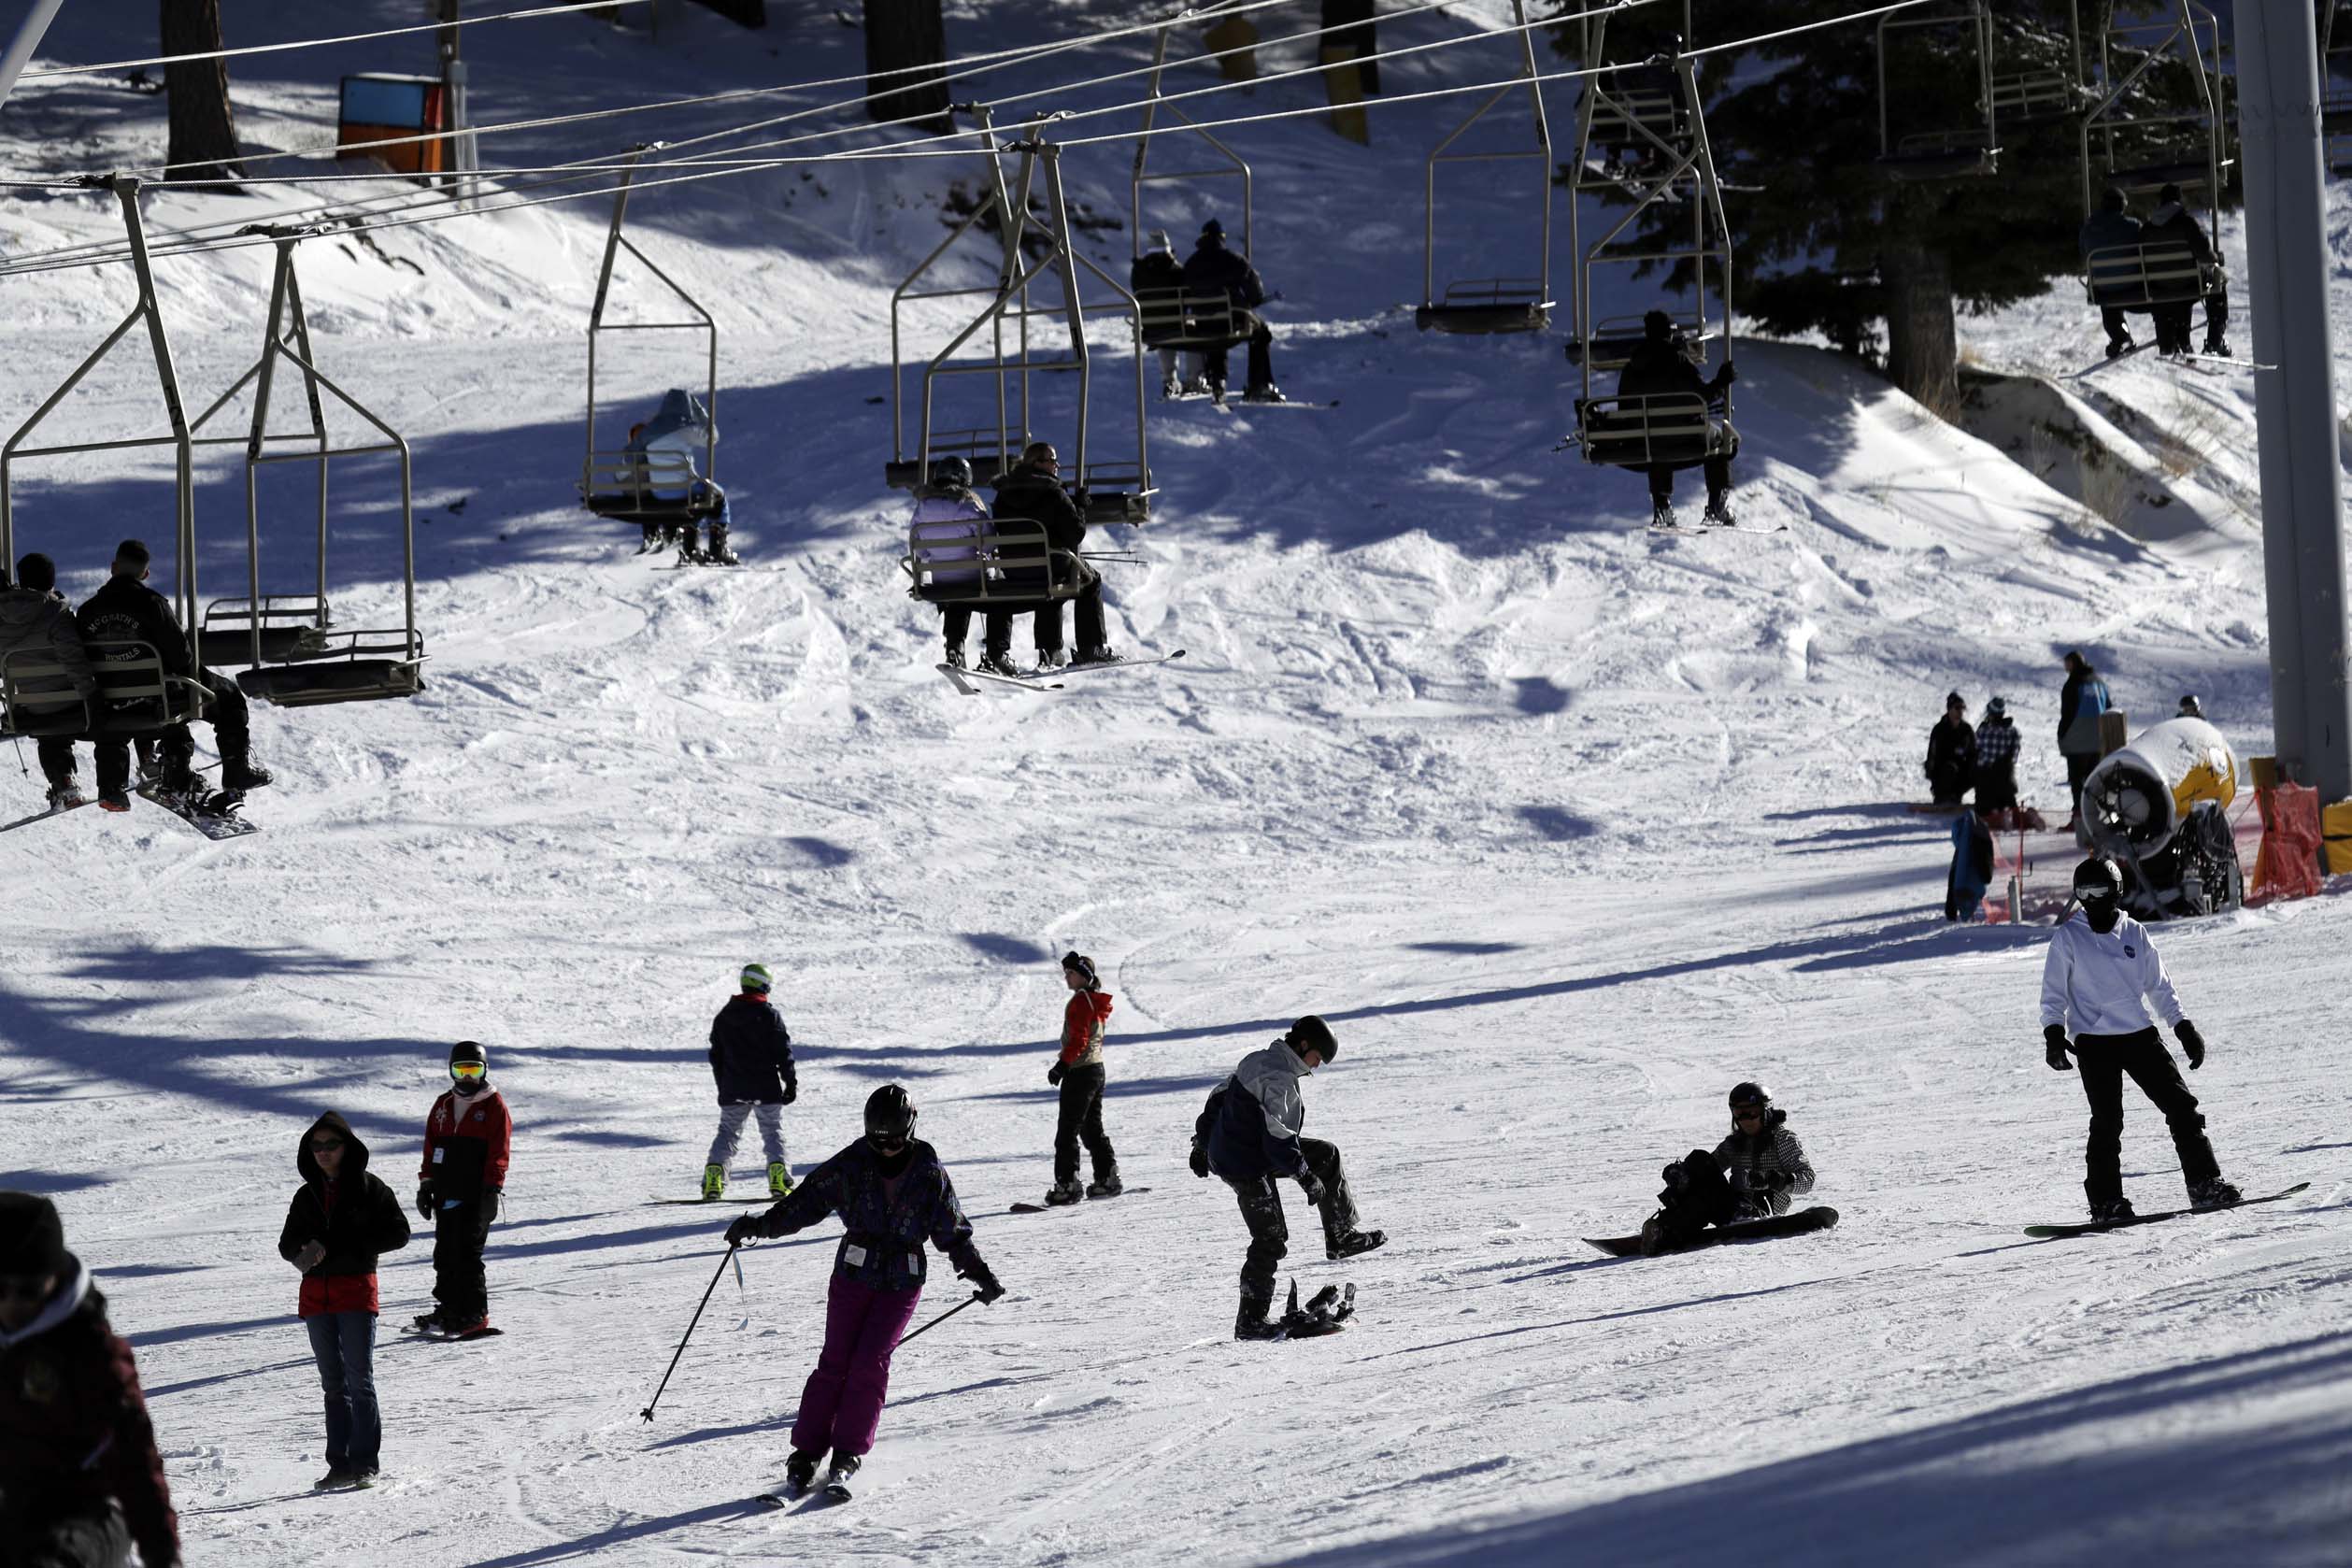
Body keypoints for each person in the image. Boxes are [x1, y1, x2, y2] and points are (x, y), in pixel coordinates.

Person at [724, 1085, 1005, 1500]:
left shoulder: (928, 1170)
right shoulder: (853, 1163)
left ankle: (848, 1453)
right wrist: (761, 1225)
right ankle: (805, 1453)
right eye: (878, 1140)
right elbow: (806, 1201)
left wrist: (977, 1270)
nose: (886, 1149)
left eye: (893, 1140)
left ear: (909, 1130)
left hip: (902, 1280)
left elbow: (951, 1229)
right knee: (834, 1361)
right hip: (854, 1272)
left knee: (869, 1363)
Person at [2041, 856, 2240, 1221]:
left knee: (2182, 1108)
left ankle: (2205, 1185)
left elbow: (2159, 986)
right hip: (2093, 1041)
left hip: (2138, 1036)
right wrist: (2053, 1033)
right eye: (2085, 892)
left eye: (2100, 890)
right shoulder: (2069, 937)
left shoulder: (2135, 933)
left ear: (2116, 891)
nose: (2093, 898)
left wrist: (2182, 1026)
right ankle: (2106, 1203)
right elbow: (2053, 993)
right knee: (2107, 1122)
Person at [0, 1192, 179, 1568]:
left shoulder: (90, 1351)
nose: (11, 1304)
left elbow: (135, 1462)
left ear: (54, 1277)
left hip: (91, 1511)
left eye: (28, 1289)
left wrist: (163, 1557)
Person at [1190, 1016, 1386, 1340]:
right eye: (1318, 1058)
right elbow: (1279, 1141)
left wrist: (1201, 1143)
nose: (1317, 1066)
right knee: (1270, 1237)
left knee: (1325, 1153)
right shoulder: (1279, 1079)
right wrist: (1305, 1177)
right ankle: (1250, 1322)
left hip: (1242, 1148)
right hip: (1244, 1161)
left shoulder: (1259, 1059)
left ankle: (1341, 1236)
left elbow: (1218, 1098)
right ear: (1305, 1045)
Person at [78, 538, 272, 812]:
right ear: (145, 573)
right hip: (156, 697)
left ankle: (170, 772)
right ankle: (234, 769)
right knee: (226, 696)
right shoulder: (152, 604)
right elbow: (181, 657)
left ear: (113, 567)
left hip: (111, 699)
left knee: (172, 698)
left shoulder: (87, 612)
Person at [277, 1112, 412, 1490]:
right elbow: (285, 1245)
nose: (322, 1152)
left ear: (346, 1147)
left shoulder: (371, 1189)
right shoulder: (306, 1196)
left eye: (330, 1145)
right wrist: (303, 1251)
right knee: (332, 1384)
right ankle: (339, 1465)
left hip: (355, 1292)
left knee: (359, 1381)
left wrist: (347, 1246)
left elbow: (399, 1232)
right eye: (315, 1146)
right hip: (316, 1297)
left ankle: (365, 1462)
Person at [1639, 1083, 1817, 1255]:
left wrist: (1774, 1180)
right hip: (1733, 1209)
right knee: (1699, 1160)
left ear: (1766, 1111)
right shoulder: (1734, 1143)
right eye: (1739, 1112)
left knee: (1705, 1180)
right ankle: (1665, 1229)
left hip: (1764, 1209)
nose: (1745, 1119)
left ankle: (1741, 1214)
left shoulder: (1782, 1140)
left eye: (1751, 1112)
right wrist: (1682, 1176)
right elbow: (1708, 1171)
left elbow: (1808, 1178)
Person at [414, 1040, 511, 1337]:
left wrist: (492, 1189)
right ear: (452, 1071)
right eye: (461, 1070)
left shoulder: (493, 1106)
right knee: (445, 1254)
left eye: (473, 1069)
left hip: (476, 1193)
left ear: (484, 1071)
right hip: (446, 1193)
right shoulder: (443, 1104)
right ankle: (449, 1308)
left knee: (468, 1255)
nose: (467, 1077)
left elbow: (499, 1151)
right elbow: (432, 1147)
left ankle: (474, 1313)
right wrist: (426, 1184)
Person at [992, 442, 1115, 667]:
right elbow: (1075, 534)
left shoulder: (1003, 494)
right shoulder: (1053, 493)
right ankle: (1091, 648)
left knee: (1052, 576)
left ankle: (1051, 651)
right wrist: (1079, 508)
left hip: (1014, 569)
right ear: (1036, 463)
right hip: (1050, 567)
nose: (1056, 465)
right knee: (1089, 579)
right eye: (1051, 460)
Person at [1614, 309, 1738, 527]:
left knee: (1656, 441)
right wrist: (1720, 382)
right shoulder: (1678, 361)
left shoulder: (1631, 367)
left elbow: (1624, 405)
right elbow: (1701, 397)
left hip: (1644, 441)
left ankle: (1662, 506)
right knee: (1724, 438)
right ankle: (1717, 504)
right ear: (1669, 334)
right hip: (1684, 438)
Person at [0, 551, 98, 809]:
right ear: (51, 581)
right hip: (69, 701)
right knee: (60, 715)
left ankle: (63, 780)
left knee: (47, 727)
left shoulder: (3, 615)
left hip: (30, 704)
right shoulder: (56, 613)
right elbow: (74, 658)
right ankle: (69, 778)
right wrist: (90, 694)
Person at [704, 962, 797, 1201]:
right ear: (762, 985)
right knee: (772, 1131)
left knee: (727, 1133)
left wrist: (723, 1085)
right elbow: (783, 1052)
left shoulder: (724, 1016)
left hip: (733, 1087)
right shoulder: (769, 1015)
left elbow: (716, 1056)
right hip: (766, 1088)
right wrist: (790, 1082)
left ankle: (714, 1178)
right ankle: (779, 1178)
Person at [906, 456, 1009, 673]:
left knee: (955, 598)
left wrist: (936, 555)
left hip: (941, 579)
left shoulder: (922, 508)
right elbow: (989, 544)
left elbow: (919, 548)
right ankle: (996, 652)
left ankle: (955, 648)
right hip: (974, 578)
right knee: (1000, 598)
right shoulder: (969, 505)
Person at [1044, 951, 1119, 1205]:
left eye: (1071, 973)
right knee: (1090, 1128)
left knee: (1067, 1130)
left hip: (1080, 1071)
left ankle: (1067, 1184)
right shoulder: (1093, 1000)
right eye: (1065, 973)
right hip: (1096, 1069)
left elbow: (1079, 1039)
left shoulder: (1080, 1001)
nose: (1067, 978)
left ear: (1084, 977)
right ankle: (1107, 1177)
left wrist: (1062, 1065)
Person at [1180, 218, 1282, 403]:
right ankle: (1259, 384)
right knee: (1261, 332)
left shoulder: (1191, 264)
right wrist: (1251, 301)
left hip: (1203, 323)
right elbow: (1254, 293)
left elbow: (1182, 296)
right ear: (1222, 238)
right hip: (1232, 322)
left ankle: (1217, 379)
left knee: (1214, 333)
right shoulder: (1234, 260)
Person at [2145, 182, 2229, 358]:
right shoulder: (2187, 223)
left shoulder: (2148, 228)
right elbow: (2206, 255)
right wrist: (2217, 259)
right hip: (2188, 284)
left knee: (2173, 287)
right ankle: (2215, 341)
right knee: (2218, 279)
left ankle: (2172, 340)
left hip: (2159, 285)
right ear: (2179, 200)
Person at [2077, 185, 2143, 359]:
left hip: (2104, 288)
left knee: (2109, 305)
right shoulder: (2132, 226)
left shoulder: (2088, 229)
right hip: (2133, 285)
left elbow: (2084, 254)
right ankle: (2169, 329)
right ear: (2122, 206)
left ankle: (2121, 337)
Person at [1131, 229, 1191, 397]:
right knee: (1194, 331)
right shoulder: (1177, 270)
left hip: (1151, 326)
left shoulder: (1138, 270)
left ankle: (1169, 380)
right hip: (1175, 324)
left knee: (1163, 335)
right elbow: (1187, 294)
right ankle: (1195, 377)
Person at [2058, 650, 2112, 828]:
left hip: (2077, 741)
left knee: (2077, 782)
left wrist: (2062, 736)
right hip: (2098, 740)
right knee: (2094, 781)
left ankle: (2079, 820)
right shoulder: (2099, 682)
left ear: (2072, 663)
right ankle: (2095, 818)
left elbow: (2068, 713)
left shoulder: (2073, 683)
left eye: (2066, 663)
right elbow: (2109, 708)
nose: (2065, 667)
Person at [1924, 691, 1975, 806]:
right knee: (1950, 768)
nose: (1960, 712)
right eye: (1957, 708)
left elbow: (1974, 752)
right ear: (1949, 709)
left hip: (1961, 772)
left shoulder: (1967, 730)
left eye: (1962, 708)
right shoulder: (1939, 729)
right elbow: (1932, 755)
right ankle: (1941, 796)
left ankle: (1958, 795)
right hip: (1942, 771)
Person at [1973, 694, 2022, 813]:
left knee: (1983, 810)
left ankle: (1991, 811)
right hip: (2006, 783)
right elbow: (2014, 757)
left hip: (1985, 783)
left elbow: (1975, 752)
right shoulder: (2013, 731)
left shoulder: (1983, 730)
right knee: (2008, 803)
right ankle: (2012, 812)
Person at [1946, 806, 1994, 921]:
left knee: (1966, 904)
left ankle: (1966, 918)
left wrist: (1950, 909)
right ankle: (1967, 917)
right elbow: (1986, 872)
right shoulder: (1977, 832)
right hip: (1969, 888)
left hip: (1965, 888)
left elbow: (1953, 874)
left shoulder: (1967, 842)